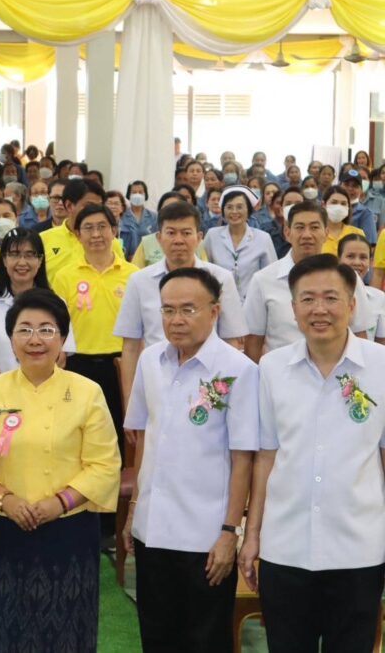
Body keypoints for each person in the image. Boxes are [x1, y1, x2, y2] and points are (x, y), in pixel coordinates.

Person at [239, 255, 385, 652]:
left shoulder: (380, 367)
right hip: (285, 547)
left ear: (352, 305)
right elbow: (265, 457)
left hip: (359, 549)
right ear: (293, 308)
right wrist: (252, 536)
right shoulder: (271, 368)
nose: (319, 309)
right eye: (307, 299)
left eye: (331, 298)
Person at [123, 268, 258, 653]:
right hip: (152, 529)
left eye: (188, 309)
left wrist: (229, 532)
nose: (176, 320)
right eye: (168, 310)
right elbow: (144, 436)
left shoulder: (239, 370)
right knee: (156, 636)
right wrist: (134, 510)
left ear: (214, 312)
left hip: (205, 535)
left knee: (205, 639)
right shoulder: (151, 360)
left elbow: (243, 459)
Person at [0, 288, 120, 652]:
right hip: (7, 528)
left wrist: (59, 503)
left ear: (62, 338)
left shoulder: (87, 392)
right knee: (7, 627)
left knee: (68, 630)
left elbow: (104, 464)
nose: (35, 340)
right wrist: (4, 499)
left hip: (69, 533)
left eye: (46, 330)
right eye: (24, 329)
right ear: (11, 339)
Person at [117, 201, 248, 395]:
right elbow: (130, 347)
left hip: (208, 386)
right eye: (171, 233)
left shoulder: (221, 278)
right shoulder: (139, 281)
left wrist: (223, 394)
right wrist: (130, 402)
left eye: (186, 233)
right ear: (159, 238)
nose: (178, 240)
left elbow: (232, 341)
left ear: (199, 238)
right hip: (157, 384)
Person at [52, 204, 139, 462]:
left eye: (102, 227)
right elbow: (58, 323)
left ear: (114, 230)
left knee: (120, 434)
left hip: (121, 365)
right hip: (78, 364)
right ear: (78, 235)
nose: (96, 234)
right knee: (80, 432)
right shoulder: (65, 276)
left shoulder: (134, 276)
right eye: (88, 228)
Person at [244, 201, 373, 361]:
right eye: (299, 227)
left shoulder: (348, 277)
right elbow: (253, 341)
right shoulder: (263, 280)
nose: (307, 235)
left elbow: (360, 333)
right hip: (283, 372)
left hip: (337, 371)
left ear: (326, 232)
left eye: (314, 227)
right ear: (287, 232)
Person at [0, 227, 77, 379]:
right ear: (4, 260)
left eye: (29, 255)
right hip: (0, 390)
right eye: (14, 254)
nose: (22, 262)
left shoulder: (57, 303)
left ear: (40, 260)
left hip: (46, 388)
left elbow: (60, 358)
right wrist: (3, 391)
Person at [41, 179, 126, 285]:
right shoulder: (43, 240)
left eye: (99, 206)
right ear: (69, 205)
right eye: (89, 206)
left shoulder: (110, 242)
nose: (95, 212)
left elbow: (122, 277)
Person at [338, 234, 385, 340]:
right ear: (339, 259)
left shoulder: (380, 298)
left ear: (370, 262)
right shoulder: (326, 297)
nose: (357, 262)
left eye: (363, 257)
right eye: (350, 256)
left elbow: (381, 343)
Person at [321, 184, 365, 255]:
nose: (339, 207)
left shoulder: (357, 233)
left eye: (343, 204)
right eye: (334, 202)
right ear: (323, 204)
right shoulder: (317, 233)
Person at [121, 181, 157, 260]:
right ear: (129, 195)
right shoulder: (122, 216)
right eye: (134, 192)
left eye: (140, 192)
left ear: (145, 195)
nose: (137, 195)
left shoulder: (154, 217)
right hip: (126, 259)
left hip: (148, 259)